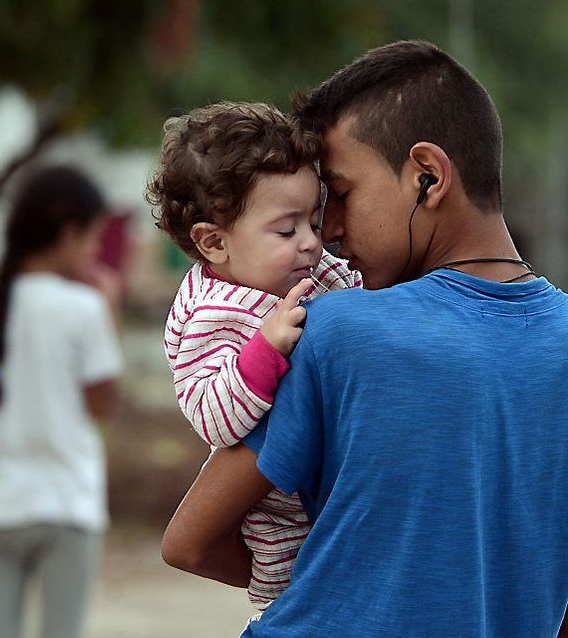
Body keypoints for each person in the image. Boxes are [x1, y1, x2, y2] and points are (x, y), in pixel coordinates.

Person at [161, 40, 568, 637]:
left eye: (342, 194)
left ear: (427, 177)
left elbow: (190, 543)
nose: (327, 232)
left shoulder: (331, 331)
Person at [147, 102, 361, 611]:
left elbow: (353, 289)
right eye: (287, 230)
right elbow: (213, 419)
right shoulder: (212, 316)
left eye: (314, 218)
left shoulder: (294, 266)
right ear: (213, 242)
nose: (312, 243)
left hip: (328, 474)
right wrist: (264, 351)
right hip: (278, 515)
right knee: (307, 588)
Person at [0, 165, 122, 638]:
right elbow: (101, 404)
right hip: (67, 504)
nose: (96, 251)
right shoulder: (84, 307)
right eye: (93, 238)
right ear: (68, 232)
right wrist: (111, 308)